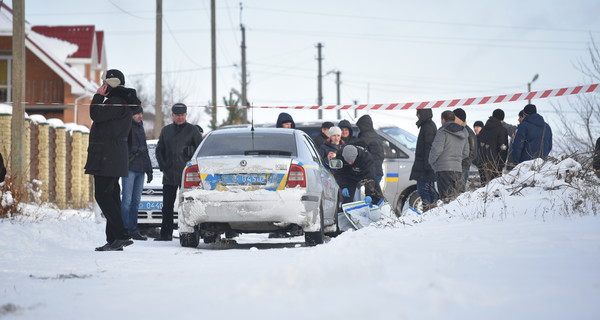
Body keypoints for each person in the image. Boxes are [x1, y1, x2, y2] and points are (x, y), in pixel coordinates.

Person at [85, 69, 140, 251]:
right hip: (112, 156)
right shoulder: (121, 102)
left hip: (108, 157)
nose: (102, 87)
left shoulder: (117, 102)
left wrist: (97, 96)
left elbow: (96, 115)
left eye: (104, 84)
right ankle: (114, 239)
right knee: (112, 197)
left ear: (110, 84)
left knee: (103, 195)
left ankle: (122, 235)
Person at [155, 103, 203, 241]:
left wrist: (192, 165)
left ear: (186, 115)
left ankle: (191, 232)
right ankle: (165, 234)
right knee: (167, 205)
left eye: (182, 115)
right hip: (169, 174)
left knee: (190, 204)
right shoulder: (166, 131)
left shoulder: (192, 130)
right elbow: (159, 150)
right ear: (172, 115)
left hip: (188, 175)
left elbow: (200, 151)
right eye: (177, 115)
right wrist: (163, 166)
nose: (180, 117)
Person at [121, 107, 153, 241]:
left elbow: (145, 150)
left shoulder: (141, 127)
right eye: (137, 114)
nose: (140, 116)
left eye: (141, 113)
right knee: (127, 201)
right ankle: (123, 230)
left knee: (136, 202)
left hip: (141, 170)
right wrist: (134, 150)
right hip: (129, 169)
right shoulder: (126, 126)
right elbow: (122, 147)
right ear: (132, 115)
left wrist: (149, 169)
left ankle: (133, 229)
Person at [428, 111, 469, 203]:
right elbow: (466, 152)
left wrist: (431, 161)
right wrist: (456, 159)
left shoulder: (442, 132)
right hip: (458, 170)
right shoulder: (463, 132)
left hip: (443, 170)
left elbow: (437, 150)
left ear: (443, 120)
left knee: (445, 199)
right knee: (457, 200)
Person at [409, 109, 438, 210]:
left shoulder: (428, 126)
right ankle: (431, 211)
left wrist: (428, 165)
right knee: (426, 190)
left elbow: (429, 148)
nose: (417, 115)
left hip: (425, 168)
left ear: (422, 114)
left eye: (418, 113)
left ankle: (430, 211)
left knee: (424, 190)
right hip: (425, 166)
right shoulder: (427, 125)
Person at [477, 109, 509, 184]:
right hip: (495, 165)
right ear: (502, 119)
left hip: (482, 164)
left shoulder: (483, 130)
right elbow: (503, 148)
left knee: (484, 188)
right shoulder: (502, 130)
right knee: (494, 188)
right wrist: (501, 164)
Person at [354, 115, 384, 182]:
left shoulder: (365, 137)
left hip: (371, 173)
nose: (359, 129)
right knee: (375, 191)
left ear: (363, 126)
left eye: (359, 127)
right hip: (377, 171)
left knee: (370, 191)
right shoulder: (375, 135)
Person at [453, 108, 477, 191]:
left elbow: (473, 152)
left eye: (454, 117)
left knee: (458, 193)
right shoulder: (456, 130)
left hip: (462, 168)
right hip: (454, 167)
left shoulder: (468, 132)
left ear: (459, 118)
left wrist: (463, 163)